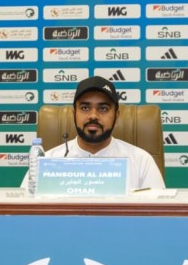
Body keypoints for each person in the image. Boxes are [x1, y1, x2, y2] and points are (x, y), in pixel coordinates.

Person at [21, 76, 166, 191]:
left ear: (117, 116)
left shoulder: (141, 161)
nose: (93, 116)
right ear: (74, 114)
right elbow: (24, 212)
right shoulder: (46, 163)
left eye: (103, 108)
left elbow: (158, 214)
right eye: (85, 108)